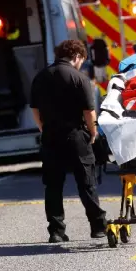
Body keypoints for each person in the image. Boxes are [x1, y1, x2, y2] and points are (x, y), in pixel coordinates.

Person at [29, 39, 107, 243]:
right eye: (82, 59)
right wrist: (93, 132)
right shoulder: (79, 78)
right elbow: (89, 111)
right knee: (86, 183)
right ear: (77, 56)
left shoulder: (40, 77)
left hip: (50, 136)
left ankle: (56, 231)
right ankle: (98, 227)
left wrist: (43, 128)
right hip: (76, 136)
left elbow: (34, 109)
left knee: (53, 185)